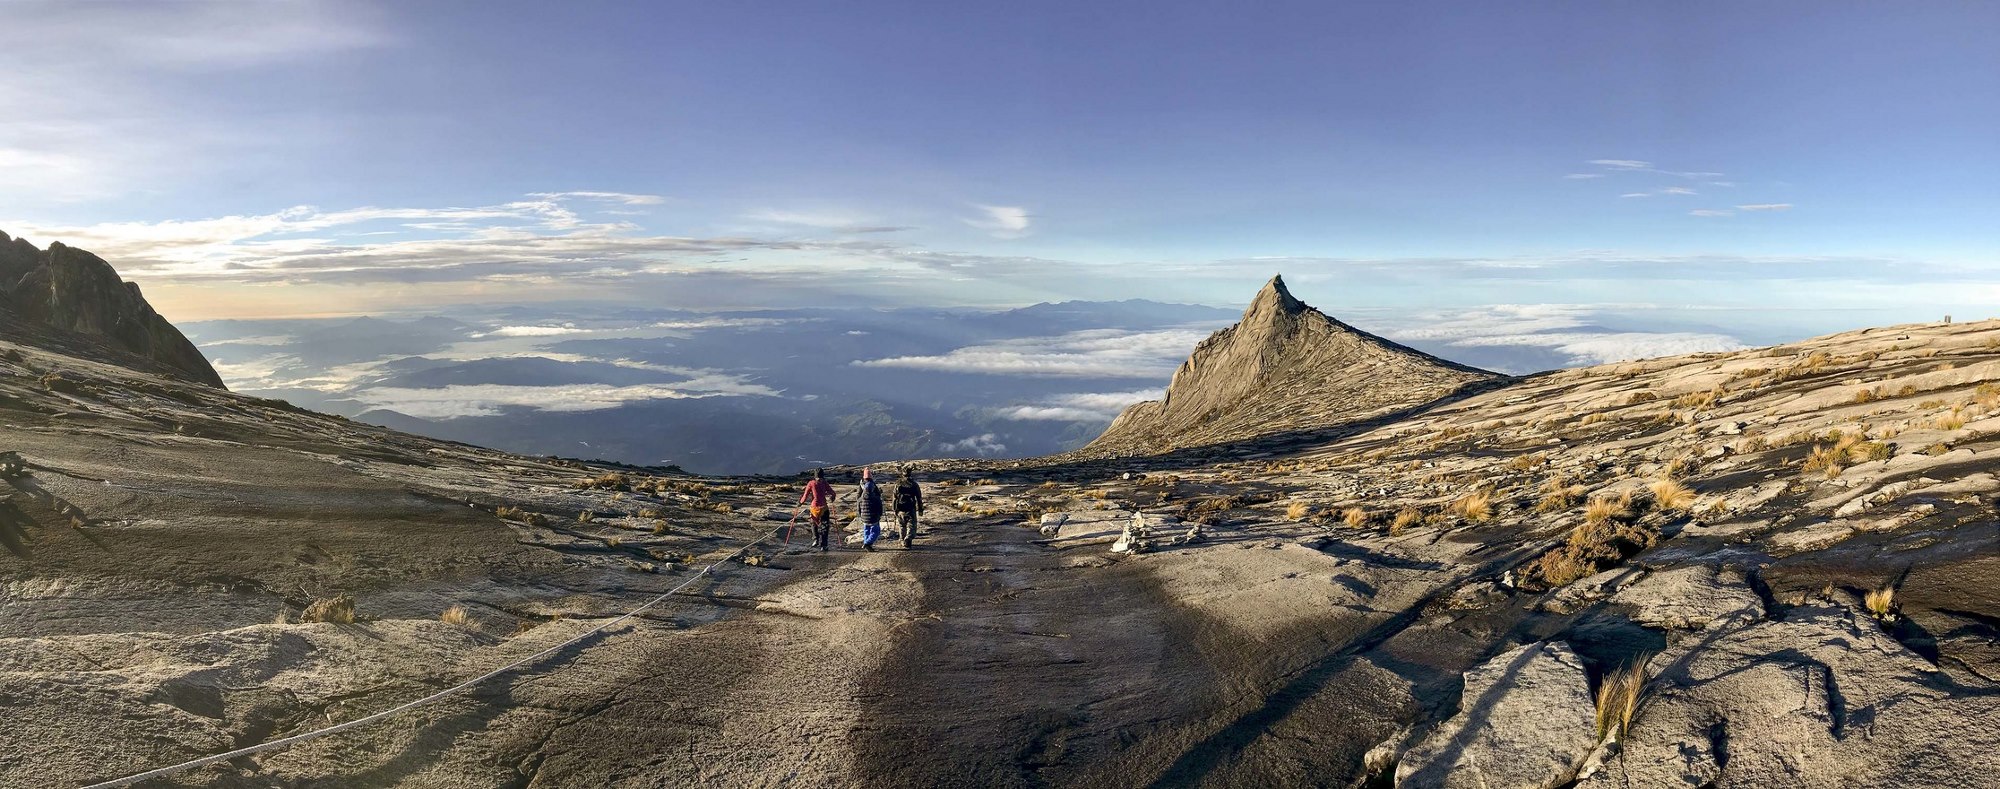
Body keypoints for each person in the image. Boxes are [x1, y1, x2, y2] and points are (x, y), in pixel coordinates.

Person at [799, 468, 835, 551]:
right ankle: (824, 545)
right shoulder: (824, 483)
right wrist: (832, 498)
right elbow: (832, 492)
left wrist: (800, 503)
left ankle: (815, 539)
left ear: (815, 476)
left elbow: (805, 496)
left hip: (814, 508)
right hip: (824, 507)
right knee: (825, 526)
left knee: (813, 524)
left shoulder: (811, 483)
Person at [894, 468, 924, 549]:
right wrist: (920, 509)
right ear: (910, 474)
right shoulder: (914, 484)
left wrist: (894, 509)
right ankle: (908, 539)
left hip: (900, 508)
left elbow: (895, 497)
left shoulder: (898, 483)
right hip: (910, 508)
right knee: (911, 525)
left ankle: (902, 539)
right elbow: (919, 498)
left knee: (902, 525)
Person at [857, 467, 885, 551]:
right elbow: (879, 504)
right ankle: (867, 543)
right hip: (873, 516)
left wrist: (860, 513)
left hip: (864, 515)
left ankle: (867, 544)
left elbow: (858, 500)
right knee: (876, 531)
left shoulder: (861, 492)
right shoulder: (875, 494)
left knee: (866, 530)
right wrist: (880, 513)